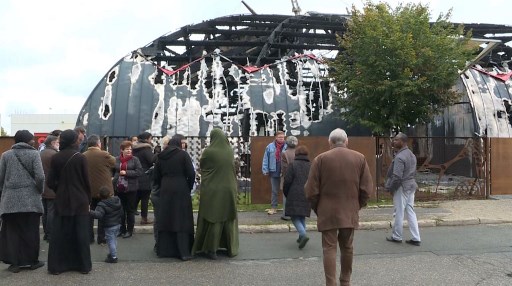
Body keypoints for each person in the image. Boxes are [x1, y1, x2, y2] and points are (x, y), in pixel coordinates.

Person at [305, 128, 372, 286]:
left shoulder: (320, 159)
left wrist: (318, 207)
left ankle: (331, 283)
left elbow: (310, 191)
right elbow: (366, 189)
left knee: (329, 248)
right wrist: (357, 206)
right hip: (349, 209)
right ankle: (345, 281)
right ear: (346, 141)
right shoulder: (360, 158)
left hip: (327, 210)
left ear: (330, 142)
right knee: (347, 247)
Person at [46, 129, 92, 275]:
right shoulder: (80, 157)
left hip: (62, 199)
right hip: (80, 199)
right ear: (74, 141)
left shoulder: (56, 157)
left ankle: (58, 266)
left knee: (60, 233)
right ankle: (82, 265)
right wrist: (88, 198)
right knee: (80, 233)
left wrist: (59, 189)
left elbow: (50, 181)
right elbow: (86, 181)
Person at [0, 130, 45, 273]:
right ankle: (32, 261)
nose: (33, 141)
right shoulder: (34, 154)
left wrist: (6, 190)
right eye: (32, 139)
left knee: (12, 233)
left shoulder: (6, 155)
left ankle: (14, 263)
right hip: (31, 200)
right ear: (28, 140)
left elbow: (1, 177)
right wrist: (39, 190)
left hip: (10, 201)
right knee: (31, 231)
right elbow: (40, 177)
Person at [192, 129, 239, 259]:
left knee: (212, 218)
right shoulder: (229, 151)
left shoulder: (209, 152)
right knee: (227, 217)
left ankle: (210, 249)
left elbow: (203, 166)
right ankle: (230, 248)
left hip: (212, 188)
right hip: (229, 187)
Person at [152, 134, 195, 260]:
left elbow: (156, 176)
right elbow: (191, 173)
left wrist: (163, 184)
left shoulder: (161, 156)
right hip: (181, 187)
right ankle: (183, 251)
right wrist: (188, 186)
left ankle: (165, 250)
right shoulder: (183, 155)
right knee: (181, 219)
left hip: (166, 188)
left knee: (166, 217)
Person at [385, 132, 421, 246]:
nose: (394, 141)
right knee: (410, 211)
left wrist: (391, 188)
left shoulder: (400, 157)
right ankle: (416, 237)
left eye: (396, 140)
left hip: (402, 187)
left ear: (403, 142)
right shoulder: (411, 155)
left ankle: (397, 236)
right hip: (411, 185)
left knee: (399, 212)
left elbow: (397, 177)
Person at [83, 135, 116, 244]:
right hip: (104, 191)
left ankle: (89, 238)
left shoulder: (83, 156)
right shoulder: (104, 154)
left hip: (89, 190)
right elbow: (114, 162)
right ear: (98, 144)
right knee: (103, 215)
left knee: (89, 214)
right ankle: (101, 238)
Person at [283, 145, 311, 249]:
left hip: (294, 193)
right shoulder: (311, 165)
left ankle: (303, 234)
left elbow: (287, 181)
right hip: (307, 193)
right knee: (302, 216)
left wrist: (287, 193)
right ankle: (301, 237)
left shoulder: (292, 165)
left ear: (296, 154)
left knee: (294, 216)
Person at [114, 141, 142, 239]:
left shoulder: (135, 160)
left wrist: (126, 172)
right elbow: (114, 170)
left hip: (131, 188)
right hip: (119, 188)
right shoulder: (117, 159)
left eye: (130, 149)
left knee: (130, 210)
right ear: (122, 150)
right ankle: (122, 229)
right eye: (127, 149)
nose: (129, 151)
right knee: (120, 210)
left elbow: (139, 172)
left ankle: (129, 230)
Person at [90, 186, 123, 263]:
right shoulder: (117, 200)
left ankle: (113, 257)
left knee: (110, 241)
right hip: (117, 224)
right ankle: (113, 253)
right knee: (114, 239)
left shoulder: (101, 205)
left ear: (99, 196)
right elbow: (121, 212)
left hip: (109, 226)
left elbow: (99, 215)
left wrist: (89, 212)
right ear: (110, 193)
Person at [132, 132, 156, 225]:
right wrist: (156, 155)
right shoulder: (146, 148)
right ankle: (144, 218)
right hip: (145, 175)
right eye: (150, 138)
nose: (151, 141)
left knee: (136, 196)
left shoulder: (134, 148)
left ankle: (128, 216)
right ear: (147, 139)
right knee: (145, 198)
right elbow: (151, 160)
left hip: (135, 174)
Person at [261, 131, 287, 215]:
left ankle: (286, 209)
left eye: (283, 137)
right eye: (280, 137)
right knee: (274, 190)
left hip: (284, 172)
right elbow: (266, 158)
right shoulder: (270, 147)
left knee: (286, 190)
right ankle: (274, 207)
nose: (281, 139)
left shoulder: (287, 146)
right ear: (276, 137)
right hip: (274, 171)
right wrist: (265, 169)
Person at [40, 135, 59, 242]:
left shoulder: (41, 154)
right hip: (52, 187)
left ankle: (46, 233)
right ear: (52, 143)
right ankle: (50, 234)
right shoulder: (54, 155)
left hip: (42, 187)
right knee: (51, 211)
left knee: (45, 212)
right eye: (57, 142)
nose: (58, 144)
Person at [280, 135, 298, 221]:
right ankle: (295, 213)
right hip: (298, 177)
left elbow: (284, 168)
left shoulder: (285, 153)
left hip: (287, 177)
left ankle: (286, 215)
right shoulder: (298, 152)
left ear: (287, 143)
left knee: (286, 196)